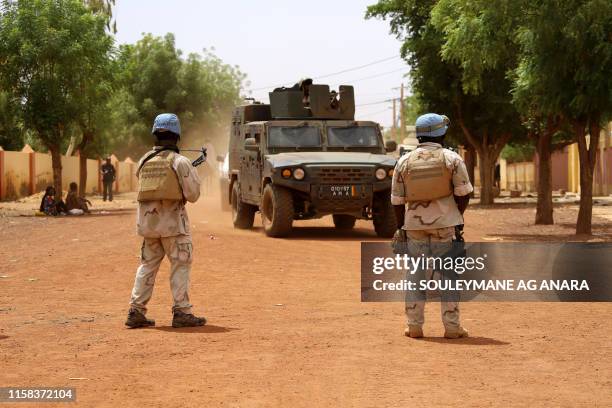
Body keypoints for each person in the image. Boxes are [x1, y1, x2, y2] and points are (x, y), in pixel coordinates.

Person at [391, 113, 473, 339]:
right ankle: (452, 328)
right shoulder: (452, 159)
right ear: (441, 133)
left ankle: (414, 326)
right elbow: (464, 194)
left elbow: (397, 201)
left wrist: (401, 228)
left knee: (415, 275)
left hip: (414, 227)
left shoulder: (404, 162)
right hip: (445, 226)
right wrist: (456, 216)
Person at [125, 113, 206, 329]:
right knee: (180, 265)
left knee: (147, 266)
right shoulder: (180, 162)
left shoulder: (143, 161)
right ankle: (182, 312)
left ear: (155, 135)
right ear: (177, 136)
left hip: (148, 226)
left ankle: (136, 311)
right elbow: (193, 195)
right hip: (173, 226)